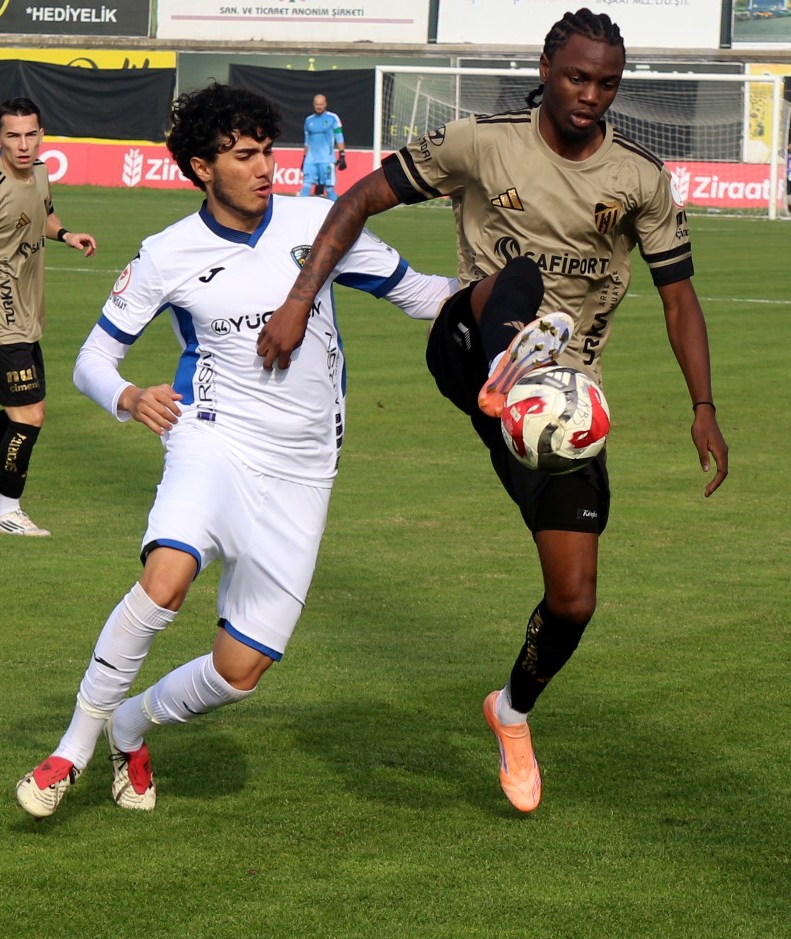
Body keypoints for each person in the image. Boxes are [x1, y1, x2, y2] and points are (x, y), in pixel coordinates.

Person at [256, 9, 729, 813]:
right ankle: (513, 362)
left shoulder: (641, 178)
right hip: (470, 344)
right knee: (519, 284)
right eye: (578, 77)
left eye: (607, 83)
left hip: (562, 402)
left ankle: (510, 711)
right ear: (547, 66)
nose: (591, 95)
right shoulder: (480, 141)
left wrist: (704, 404)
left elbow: (677, 297)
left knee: (574, 598)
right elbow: (360, 200)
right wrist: (300, 298)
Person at [15, 82, 455, 818]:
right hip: (212, 439)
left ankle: (132, 723)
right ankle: (74, 746)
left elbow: (423, 293)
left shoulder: (322, 221)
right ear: (199, 167)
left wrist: (508, 293)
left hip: (305, 471)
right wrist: (127, 397)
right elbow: (93, 359)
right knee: (166, 579)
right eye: (243, 155)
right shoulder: (167, 253)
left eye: (265, 152)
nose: (264, 167)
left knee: (240, 670)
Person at [0, 97, 96, 537]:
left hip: (28, 317)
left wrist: (66, 234)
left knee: (24, 413)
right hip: (0, 320)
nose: (23, 143)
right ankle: (6, 512)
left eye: (31, 133)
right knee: (29, 415)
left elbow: (44, 215)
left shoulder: (41, 174)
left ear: (42, 135)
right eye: (13, 135)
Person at [298, 94, 346, 201]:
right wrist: (304, 157)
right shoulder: (308, 120)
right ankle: (300, 213)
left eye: (321, 104)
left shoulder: (333, 118)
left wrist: (342, 154)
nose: (319, 106)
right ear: (313, 105)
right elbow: (307, 141)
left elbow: (339, 136)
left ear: (325, 104)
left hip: (326, 159)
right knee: (305, 187)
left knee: (329, 189)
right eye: (317, 104)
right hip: (310, 160)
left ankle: (337, 213)